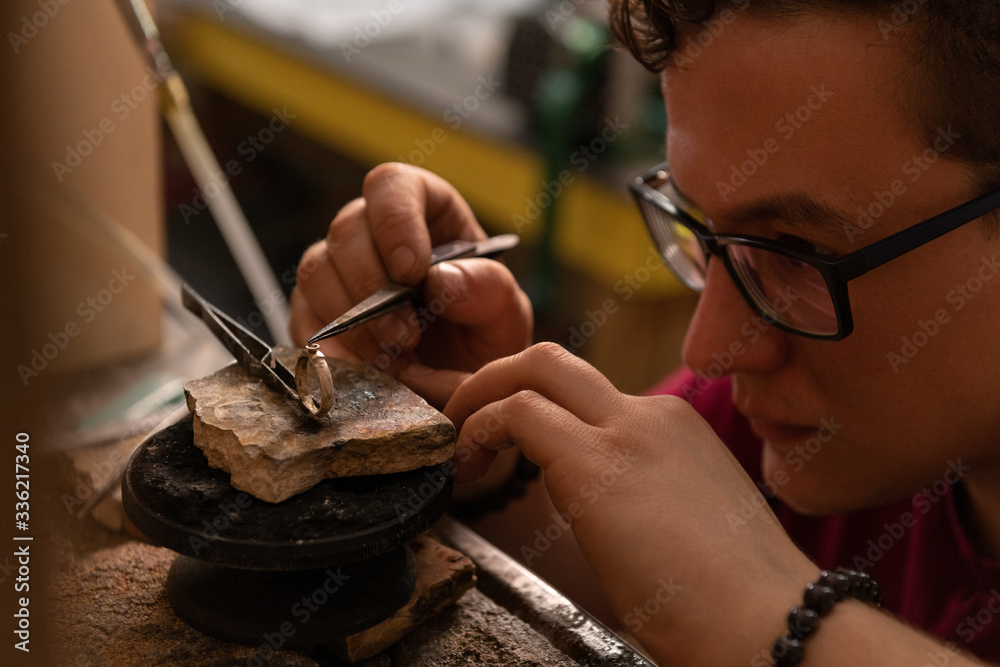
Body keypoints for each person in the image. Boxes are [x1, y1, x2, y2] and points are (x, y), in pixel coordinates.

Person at [290, 1, 1000, 664]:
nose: (711, 345)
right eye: (702, 230)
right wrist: (484, 439)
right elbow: (657, 578)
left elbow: (726, 597)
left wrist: (777, 618)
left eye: (797, 254)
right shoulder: (792, 417)